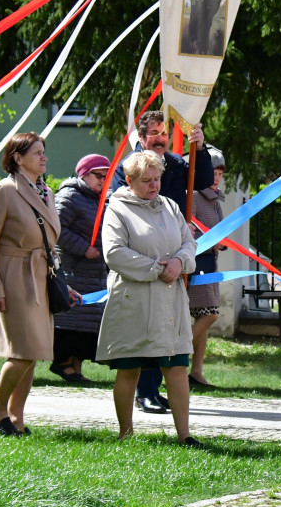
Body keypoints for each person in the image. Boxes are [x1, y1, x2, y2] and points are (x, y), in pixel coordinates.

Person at [0, 133, 80, 436]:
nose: (44, 157)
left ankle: (15, 417)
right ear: (17, 158)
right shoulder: (2, 191)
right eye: (36, 152)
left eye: (43, 151)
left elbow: (48, 245)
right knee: (22, 351)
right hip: (12, 276)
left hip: (40, 277)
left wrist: (61, 283)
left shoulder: (46, 192)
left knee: (33, 352)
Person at [96, 151, 202, 448]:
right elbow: (114, 253)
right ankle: (125, 434)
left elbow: (189, 243)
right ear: (129, 181)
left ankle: (185, 436)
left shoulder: (170, 206)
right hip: (135, 300)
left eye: (157, 179)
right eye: (146, 180)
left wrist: (179, 262)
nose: (154, 185)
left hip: (170, 300)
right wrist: (157, 268)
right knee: (130, 367)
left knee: (177, 367)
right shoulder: (117, 209)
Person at [112, 110, 213, 414]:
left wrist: (200, 148)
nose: (160, 139)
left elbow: (203, 180)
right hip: (142, 260)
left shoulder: (177, 163)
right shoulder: (128, 168)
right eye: (154, 133)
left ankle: (154, 391)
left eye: (164, 133)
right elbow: (120, 207)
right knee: (145, 331)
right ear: (142, 137)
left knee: (166, 329)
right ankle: (144, 392)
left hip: (173, 259)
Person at [50, 153, 111, 383]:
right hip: (73, 271)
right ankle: (63, 363)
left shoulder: (102, 199)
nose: (102, 180)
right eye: (98, 175)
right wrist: (83, 248)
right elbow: (56, 228)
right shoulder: (70, 196)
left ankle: (76, 366)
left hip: (95, 272)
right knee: (72, 321)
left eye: (106, 177)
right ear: (84, 174)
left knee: (88, 324)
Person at [187, 146, 228, 388]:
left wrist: (221, 243)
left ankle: (196, 371)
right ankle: (174, 354)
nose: (217, 177)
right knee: (209, 313)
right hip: (196, 264)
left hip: (210, 264)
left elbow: (218, 230)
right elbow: (188, 229)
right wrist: (211, 242)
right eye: (213, 172)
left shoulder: (215, 199)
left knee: (204, 316)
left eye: (220, 173)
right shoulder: (193, 195)